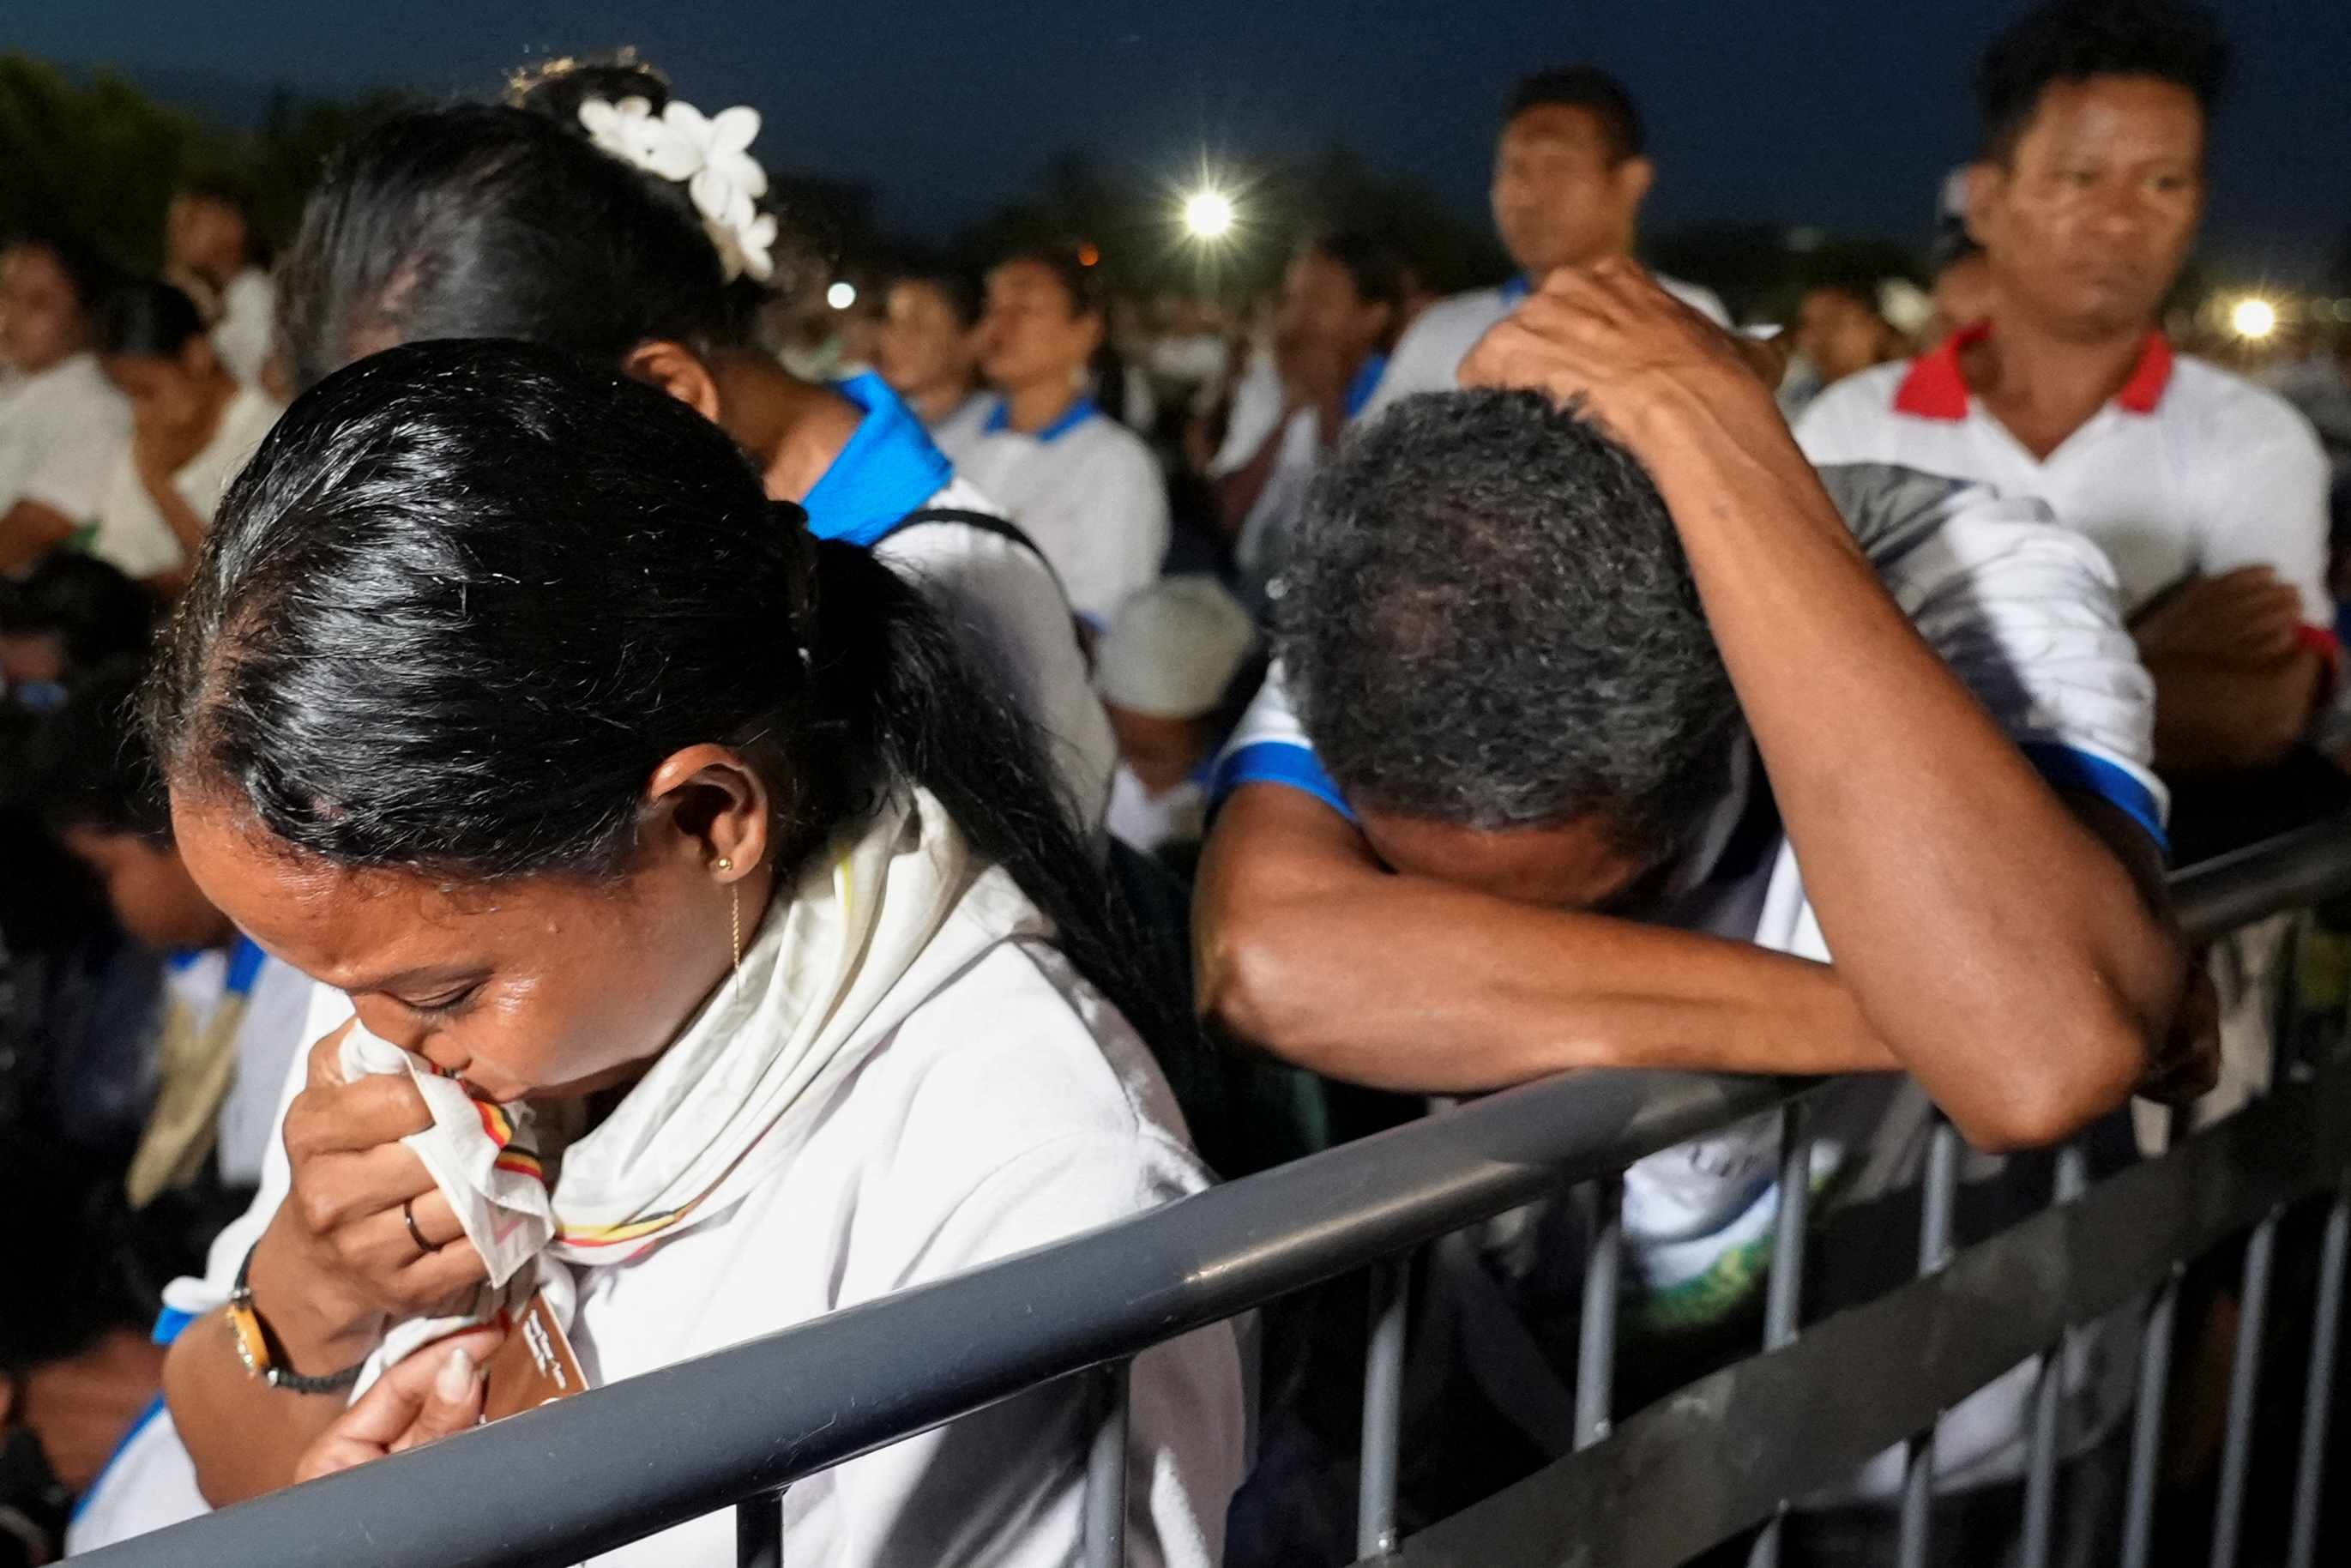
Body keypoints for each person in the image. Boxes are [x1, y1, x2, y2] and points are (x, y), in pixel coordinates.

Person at [90, 339, 1245, 1564]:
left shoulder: (1030, 1205)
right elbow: (223, 1446)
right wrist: (309, 1297)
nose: (370, 1039)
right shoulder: (407, 988)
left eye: (442, 991)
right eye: (335, 986)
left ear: (708, 819)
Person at [1196, 260, 2209, 1553]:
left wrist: (1700, 415)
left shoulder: (1967, 563)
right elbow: (1268, 962)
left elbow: (2035, 1063)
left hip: (1921, 1444)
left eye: (1624, 894)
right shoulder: (1416, 584)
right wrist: (1923, 1013)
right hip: (1561, 1422)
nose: (1528, 958)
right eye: (1432, 901)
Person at [274, 61, 1116, 833]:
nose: (458, 550)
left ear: (671, 395)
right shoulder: (650, 548)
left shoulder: (948, 604)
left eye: (479, 492)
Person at [1796, 0, 2334, 801]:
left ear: (2196, 205)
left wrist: (1915, 680)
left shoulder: (2253, 436)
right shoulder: (1848, 427)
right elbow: (1795, 695)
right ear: (1986, 203)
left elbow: (2257, 714)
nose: (2120, 218)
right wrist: (2143, 649)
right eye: (2079, 176)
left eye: (2162, 181)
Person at [1358, 67, 1729, 422]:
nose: (1529, 196)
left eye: (1558, 167)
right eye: (1514, 167)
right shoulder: (1442, 330)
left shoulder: (1685, 322)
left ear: (1631, 182)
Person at [944, 244, 1172, 631]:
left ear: (1085, 331)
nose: (1000, 325)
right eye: (994, 307)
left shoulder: (1112, 463)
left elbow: (1102, 619)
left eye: (1025, 307)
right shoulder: (957, 434)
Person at [1212, 232, 1402, 605]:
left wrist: (1329, 406)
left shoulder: (1398, 393)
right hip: (1249, 588)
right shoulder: (1268, 380)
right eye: (1293, 298)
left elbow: (1370, 528)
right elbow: (1227, 514)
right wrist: (1285, 417)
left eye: (1319, 301)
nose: (1298, 317)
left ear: (1372, 317)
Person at [88, 282, 281, 596]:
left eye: (147, 392)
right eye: (127, 396)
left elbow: (233, 582)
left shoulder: (270, 442)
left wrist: (158, 483)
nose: (139, 413)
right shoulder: (152, 437)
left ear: (197, 355)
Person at [1095, 574, 1263, 864]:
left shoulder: (1244, 793)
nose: (1134, 770)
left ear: (1213, 726)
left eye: (1152, 755)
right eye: (1121, 748)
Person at [0, 236, 130, 575]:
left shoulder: (94, 410)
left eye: (38, 303)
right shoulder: (14, 379)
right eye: (6, 293)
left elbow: (27, 532)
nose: (9, 315)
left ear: (83, 317)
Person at [160, 183, 274, 393]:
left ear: (232, 227)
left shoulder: (256, 300)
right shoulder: (217, 300)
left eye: (191, 223)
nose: (175, 236)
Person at [874, 268, 990, 449]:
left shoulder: (1000, 431)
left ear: (971, 338)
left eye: (917, 324)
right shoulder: (888, 425)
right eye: (891, 320)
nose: (893, 337)